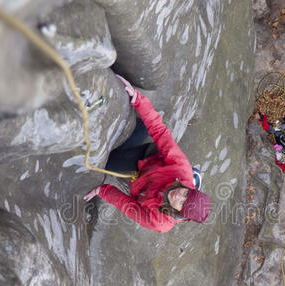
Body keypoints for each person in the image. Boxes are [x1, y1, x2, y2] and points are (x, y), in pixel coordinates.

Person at [83, 75, 211, 233]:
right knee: (143, 127)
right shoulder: (181, 170)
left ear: (178, 214)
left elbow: (128, 206)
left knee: (106, 163)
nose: (179, 195)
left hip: (140, 181)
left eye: (182, 203)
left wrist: (102, 191)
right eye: (186, 193)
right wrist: (137, 99)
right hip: (150, 158)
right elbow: (160, 132)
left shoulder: (159, 222)